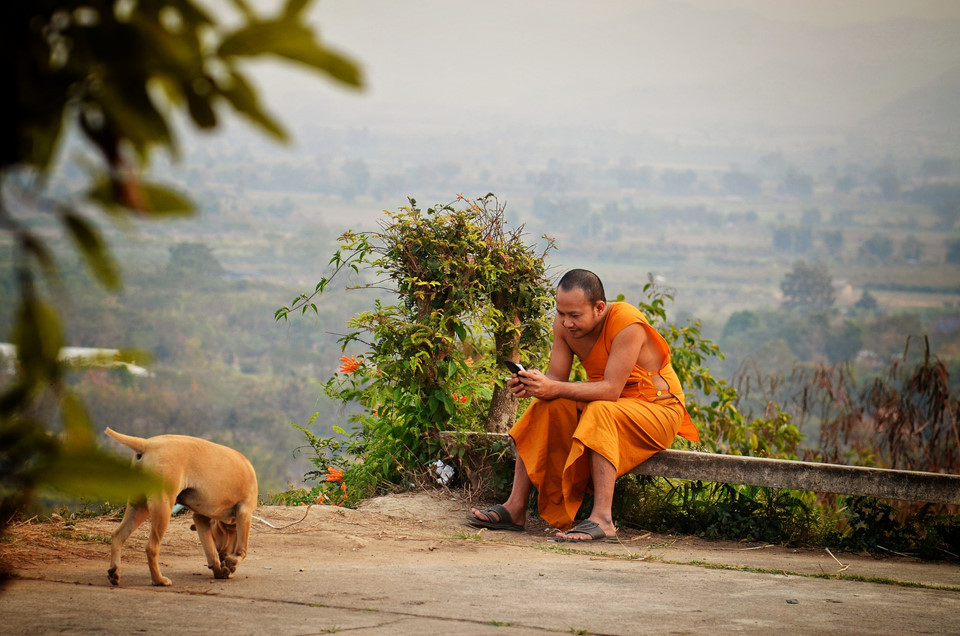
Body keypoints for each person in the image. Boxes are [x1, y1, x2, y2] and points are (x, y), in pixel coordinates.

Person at [468, 269, 699, 541]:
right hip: (608, 406)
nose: (566, 322)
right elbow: (556, 380)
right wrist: (533, 386)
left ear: (600, 308)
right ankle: (515, 507)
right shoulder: (565, 325)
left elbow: (611, 390)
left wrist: (552, 387)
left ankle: (603, 519)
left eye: (574, 315)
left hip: (657, 411)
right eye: (561, 313)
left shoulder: (627, 324)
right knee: (545, 407)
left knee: (601, 410)